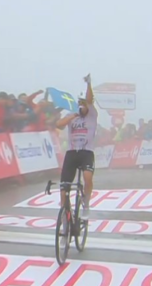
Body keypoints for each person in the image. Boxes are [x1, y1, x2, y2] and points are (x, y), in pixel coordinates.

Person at [55, 74, 97, 219]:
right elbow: (59, 125)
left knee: (87, 177)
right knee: (64, 189)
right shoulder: (72, 115)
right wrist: (72, 116)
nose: (82, 106)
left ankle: (86, 203)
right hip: (72, 153)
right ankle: (65, 218)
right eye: (80, 104)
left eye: (84, 104)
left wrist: (89, 85)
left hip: (86, 152)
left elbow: (90, 100)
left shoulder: (92, 115)